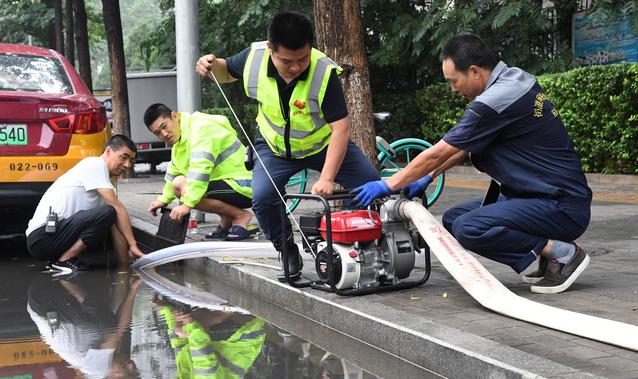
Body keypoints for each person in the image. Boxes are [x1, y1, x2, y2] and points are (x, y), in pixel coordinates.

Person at [354, 33, 593, 294]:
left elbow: (440, 151)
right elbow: (464, 146)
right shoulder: (512, 80)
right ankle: (550, 255)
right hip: (538, 197)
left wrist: (389, 183)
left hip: (561, 205)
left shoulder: (495, 101)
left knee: (470, 228)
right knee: (454, 219)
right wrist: (426, 177)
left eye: (453, 81)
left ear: (474, 72)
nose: (453, 89)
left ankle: (562, 252)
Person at [195, 11, 379, 280]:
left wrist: (327, 178)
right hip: (274, 149)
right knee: (262, 197)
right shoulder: (254, 58)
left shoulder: (324, 72)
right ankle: (286, 248)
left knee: (371, 183)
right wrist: (209, 64)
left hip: (321, 145)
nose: (296, 67)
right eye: (287, 61)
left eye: (302, 58)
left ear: (310, 48)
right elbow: (224, 71)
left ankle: (362, 243)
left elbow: (340, 129)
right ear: (271, 49)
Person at [25, 134, 145, 274]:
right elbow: (116, 209)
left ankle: (62, 259)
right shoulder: (94, 164)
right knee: (108, 212)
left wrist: (124, 266)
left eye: (131, 160)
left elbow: (116, 227)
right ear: (108, 152)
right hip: (41, 237)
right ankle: (65, 260)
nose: (127, 165)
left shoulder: (105, 184)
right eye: (123, 157)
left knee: (109, 215)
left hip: (53, 237)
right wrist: (133, 245)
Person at [144, 104, 258, 241]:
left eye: (164, 126)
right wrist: (162, 200)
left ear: (174, 116)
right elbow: (173, 172)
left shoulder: (200, 128)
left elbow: (200, 169)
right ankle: (227, 220)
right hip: (228, 184)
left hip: (245, 185)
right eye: (157, 133)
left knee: (182, 186)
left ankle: (240, 216)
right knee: (179, 183)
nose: (164, 134)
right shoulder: (180, 141)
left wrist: (187, 205)